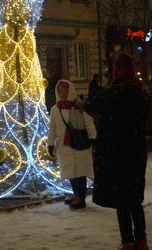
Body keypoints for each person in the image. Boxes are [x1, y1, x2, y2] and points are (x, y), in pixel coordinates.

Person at [76, 53, 149, 250]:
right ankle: (141, 241)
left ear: (117, 69)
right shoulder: (139, 91)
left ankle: (127, 242)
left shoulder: (114, 92)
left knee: (122, 201)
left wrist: (79, 104)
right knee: (134, 199)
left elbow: (92, 105)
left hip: (116, 153)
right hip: (135, 152)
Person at [47, 79, 96, 209]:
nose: (63, 93)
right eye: (60, 91)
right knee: (71, 172)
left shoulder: (78, 106)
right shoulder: (55, 109)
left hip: (80, 142)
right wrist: (50, 143)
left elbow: (88, 122)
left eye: (66, 90)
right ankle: (77, 196)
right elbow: (52, 128)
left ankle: (81, 198)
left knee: (80, 172)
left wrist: (92, 138)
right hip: (65, 145)